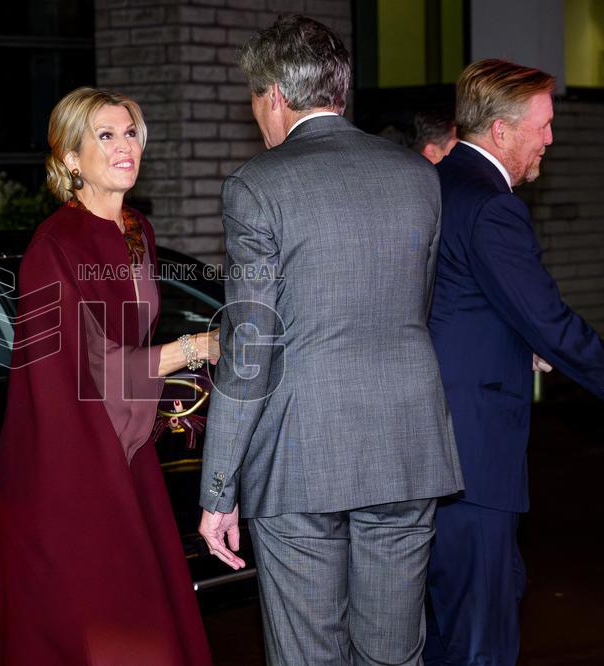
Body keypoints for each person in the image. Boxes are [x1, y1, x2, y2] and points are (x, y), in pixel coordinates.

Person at [198, 16, 464, 666]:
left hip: (299, 453)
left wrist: (217, 491)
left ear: (275, 97)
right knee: (394, 654)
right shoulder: (419, 177)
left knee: (309, 656)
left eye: (254, 99)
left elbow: (250, 348)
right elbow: (414, 309)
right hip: (405, 442)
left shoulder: (256, 185)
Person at [0, 87, 216, 666]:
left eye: (131, 133)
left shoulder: (138, 232)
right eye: (105, 136)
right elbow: (88, 370)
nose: (125, 146)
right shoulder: (53, 246)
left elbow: (128, 348)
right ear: (70, 159)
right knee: (98, 632)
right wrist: (196, 348)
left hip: (126, 454)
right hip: (69, 471)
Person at [424, 59, 604, 666]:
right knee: (481, 638)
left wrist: (509, 334)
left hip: (430, 447)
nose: (551, 139)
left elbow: (454, 300)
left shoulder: (435, 182)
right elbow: (550, 322)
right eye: (544, 125)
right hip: (474, 454)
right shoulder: (491, 205)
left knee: (451, 624)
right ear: (502, 132)